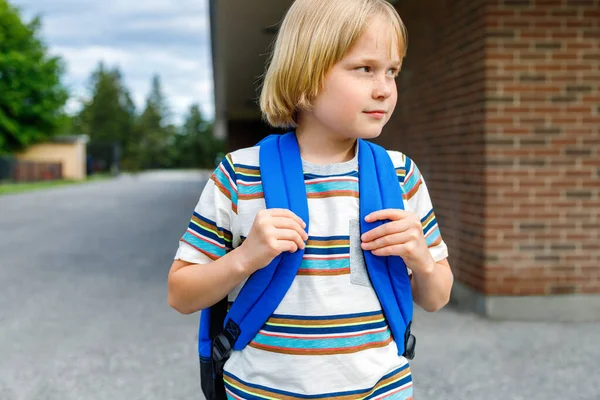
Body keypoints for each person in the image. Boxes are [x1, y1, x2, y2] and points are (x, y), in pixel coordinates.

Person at [168, 0, 453, 398]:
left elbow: (437, 297)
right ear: (307, 75)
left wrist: (421, 259)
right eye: (364, 69)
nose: (385, 88)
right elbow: (181, 294)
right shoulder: (240, 175)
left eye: (392, 71)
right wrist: (246, 257)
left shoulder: (400, 175)